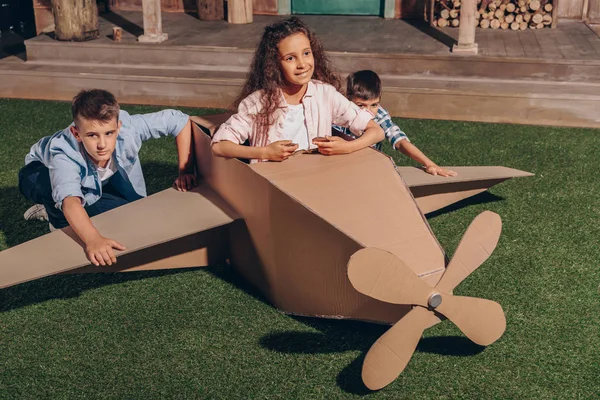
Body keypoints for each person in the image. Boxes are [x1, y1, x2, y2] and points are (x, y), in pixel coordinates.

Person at [19, 89, 196, 266]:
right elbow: (69, 199)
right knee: (54, 191)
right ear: (76, 133)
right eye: (92, 135)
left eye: (109, 133)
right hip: (39, 172)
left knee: (127, 216)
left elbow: (178, 120)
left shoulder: (129, 127)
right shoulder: (64, 152)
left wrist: (185, 171)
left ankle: (70, 208)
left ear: (118, 127)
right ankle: (54, 217)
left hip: (94, 181)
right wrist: (93, 240)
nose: (102, 145)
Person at [211, 17, 384, 162]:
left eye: (306, 53)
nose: (302, 64)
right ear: (274, 65)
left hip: (314, 180)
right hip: (271, 185)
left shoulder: (325, 94)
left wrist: (347, 147)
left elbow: (376, 132)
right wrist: (264, 153)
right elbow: (219, 146)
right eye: (290, 58)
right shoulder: (258, 102)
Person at [333, 70, 457, 177]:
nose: (368, 112)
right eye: (361, 106)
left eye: (374, 105)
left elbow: (400, 141)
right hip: (339, 166)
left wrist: (429, 164)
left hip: (368, 166)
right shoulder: (339, 113)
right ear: (348, 100)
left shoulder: (380, 115)